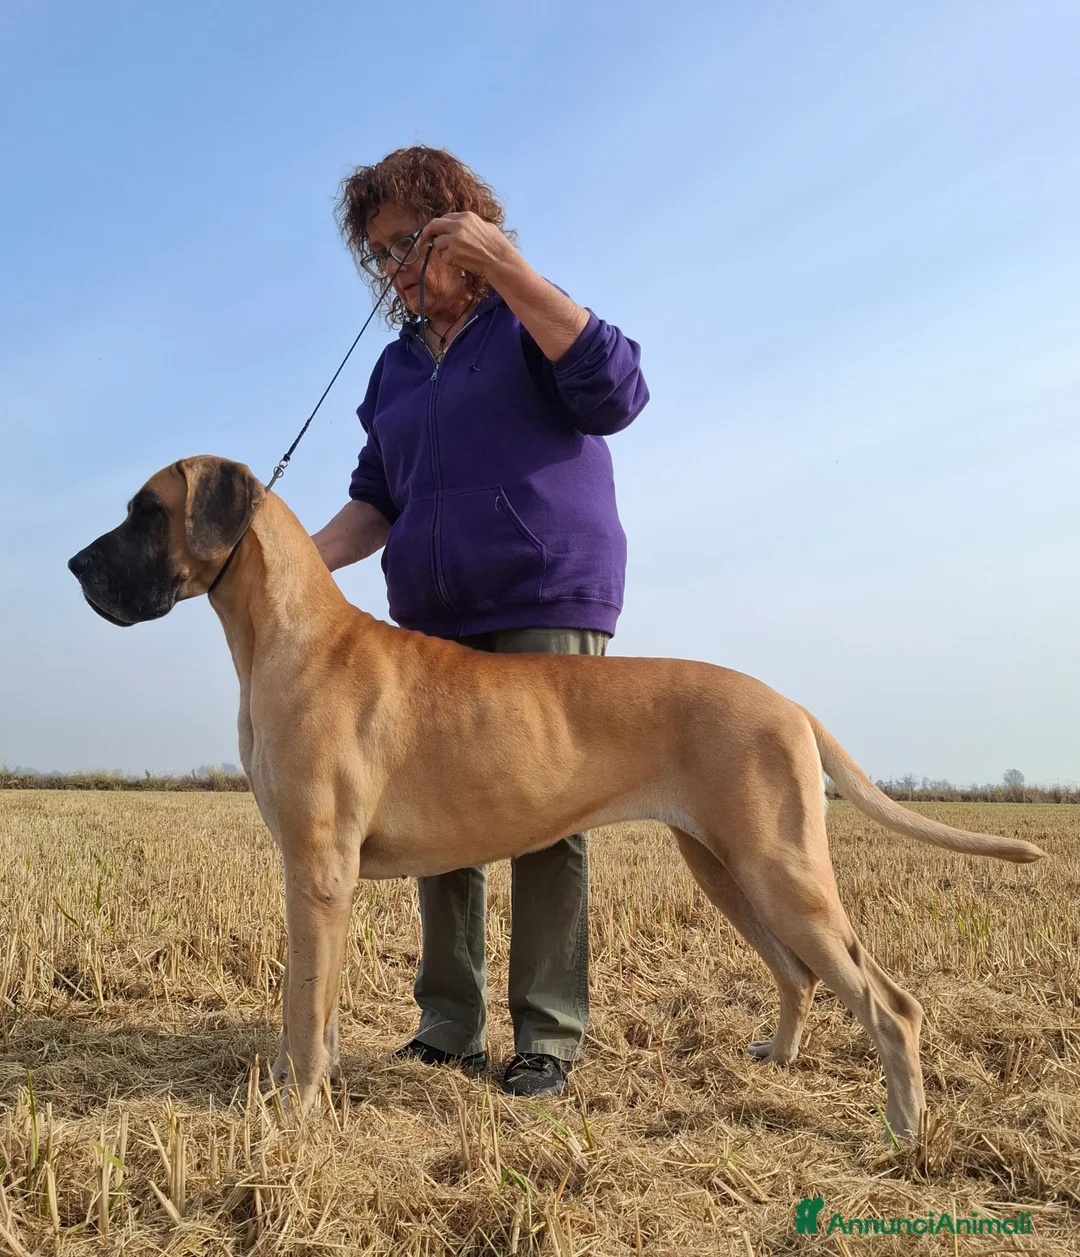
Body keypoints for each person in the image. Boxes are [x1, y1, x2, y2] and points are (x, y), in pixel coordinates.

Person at [312, 146, 649, 1098]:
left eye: (404, 242)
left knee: (549, 812)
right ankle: (448, 1026)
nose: (393, 269)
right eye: (378, 255)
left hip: (546, 598)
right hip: (428, 616)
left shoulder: (529, 316)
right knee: (430, 812)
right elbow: (376, 498)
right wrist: (292, 559)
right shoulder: (392, 368)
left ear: (459, 221)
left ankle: (547, 1034)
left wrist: (508, 267)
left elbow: (617, 391)